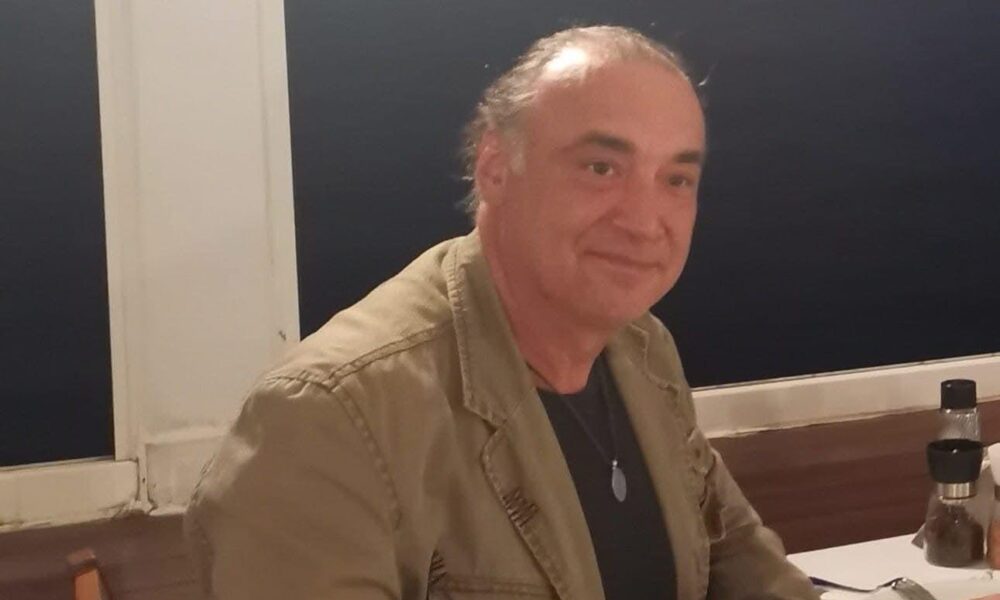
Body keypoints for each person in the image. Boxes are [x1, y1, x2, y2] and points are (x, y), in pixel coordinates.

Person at [186, 25, 819, 600]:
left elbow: (739, 557)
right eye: (602, 168)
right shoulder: (328, 419)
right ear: (494, 167)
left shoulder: (643, 349)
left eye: (676, 180)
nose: (645, 221)